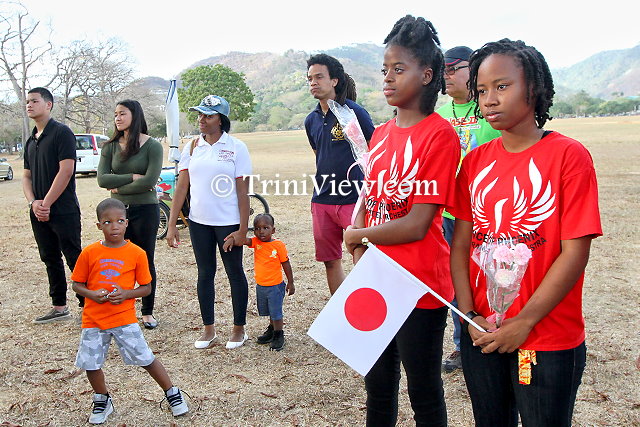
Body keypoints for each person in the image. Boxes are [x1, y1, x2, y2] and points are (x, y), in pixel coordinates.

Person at [449, 39, 602, 427]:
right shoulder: (475, 163)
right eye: (482, 90)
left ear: (533, 88)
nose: (490, 99)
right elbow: (462, 244)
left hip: (546, 338)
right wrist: (469, 316)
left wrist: (525, 322)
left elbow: (574, 252)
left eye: (502, 86)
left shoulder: (569, 156)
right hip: (482, 333)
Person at [343, 15, 459, 426]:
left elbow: (417, 223)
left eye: (399, 69)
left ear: (427, 75)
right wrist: (355, 230)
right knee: (377, 383)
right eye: (384, 70)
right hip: (376, 275)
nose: (387, 79)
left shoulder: (439, 135)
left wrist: (360, 233)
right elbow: (370, 195)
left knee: (423, 389)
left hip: (418, 283)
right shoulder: (382, 134)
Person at [71, 198, 188, 424]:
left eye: (119, 221)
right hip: (93, 319)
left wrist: (126, 294)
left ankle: (172, 392)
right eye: (107, 222)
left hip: (123, 318)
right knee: (91, 363)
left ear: (127, 223)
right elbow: (77, 283)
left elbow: (146, 288)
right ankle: (102, 399)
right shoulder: (89, 252)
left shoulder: (136, 253)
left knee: (146, 358)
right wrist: (91, 294)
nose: (114, 226)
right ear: (99, 226)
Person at [166, 95, 251, 350]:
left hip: (228, 223)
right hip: (199, 223)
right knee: (205, 274)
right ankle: (208, 329)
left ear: (221, 120)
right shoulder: (192, 147)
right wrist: (172, 225)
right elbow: (182, 187)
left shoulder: (237, 147)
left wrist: (242, 230)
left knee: (235, 273)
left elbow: (243, 191)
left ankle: (239, 329)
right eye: (200, 115)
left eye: (208, 115)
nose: (202, 120)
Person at [436, 46, 502, 373]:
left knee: (497, 277)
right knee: (457, 280)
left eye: (453, 68)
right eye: (443, 69)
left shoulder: (492, 107)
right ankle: (463, 343)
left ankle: (502, 332)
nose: (446, 75)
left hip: (493, 215)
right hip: (451, 216)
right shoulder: (441, 116)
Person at [305, 54, 375, 295]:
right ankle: (343, 314)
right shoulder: (310, 120)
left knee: (361, 255)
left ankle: (367, 310)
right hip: (322, 198)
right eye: (310, 78)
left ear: (334, 80)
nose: (313, 82)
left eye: (319, 77)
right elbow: (320, 155)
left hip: (353, 198)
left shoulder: (354, 113)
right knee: (330, 260)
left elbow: (372, 151)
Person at [97, 100, 163, 329]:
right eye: (115, 114)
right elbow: (102, 179)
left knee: (144, 259)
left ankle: (147, 312)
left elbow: (150, 181)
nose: (117, 118)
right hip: (118, 212)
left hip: (146, 210)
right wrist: (132, 178)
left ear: (134, 115)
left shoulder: (153, 146)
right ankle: (119, 308)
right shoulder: (110, 146)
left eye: (122, 113)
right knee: (118, 259)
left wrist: (118, 187)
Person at [22, 87, 83, 323]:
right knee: (49, 257)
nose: (29, 105)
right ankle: (59, 307)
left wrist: (47, 203)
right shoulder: (30, 140)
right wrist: (33, 203)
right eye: (27, 101)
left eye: (34, 101)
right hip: (38, 210)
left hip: (63, 209)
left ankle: (86, 305)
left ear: (48, 104)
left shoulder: (61, 133)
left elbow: (66, 170)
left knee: (73, 256)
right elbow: (26, 176)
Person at [223, 213, 295, 351]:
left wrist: (290, 282)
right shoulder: (256, 242)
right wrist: (231, 238)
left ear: (273, 230)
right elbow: (243, 240)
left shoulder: (278, 245)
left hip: (275, 286)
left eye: (265, 228)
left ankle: (279, 334)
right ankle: (272, 329)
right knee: (268, 310)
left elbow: (286, 263)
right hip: (261, 286)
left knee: (276, 312)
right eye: (257, 228)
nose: (261, 231)